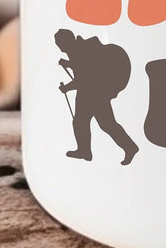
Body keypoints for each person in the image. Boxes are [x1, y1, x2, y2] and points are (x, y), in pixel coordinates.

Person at [54, 29, 138, 165]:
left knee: (105, 124)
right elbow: (82, 68)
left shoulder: (79, 51)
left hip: (93, 94)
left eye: (59, 43)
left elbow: (84, 78)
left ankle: (129, 147)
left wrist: (67, 87)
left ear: (66, 41)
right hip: (90, 93)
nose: (59, 46)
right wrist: (68, 64)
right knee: (83, 122)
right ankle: (84, 150)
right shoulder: (78, 49)